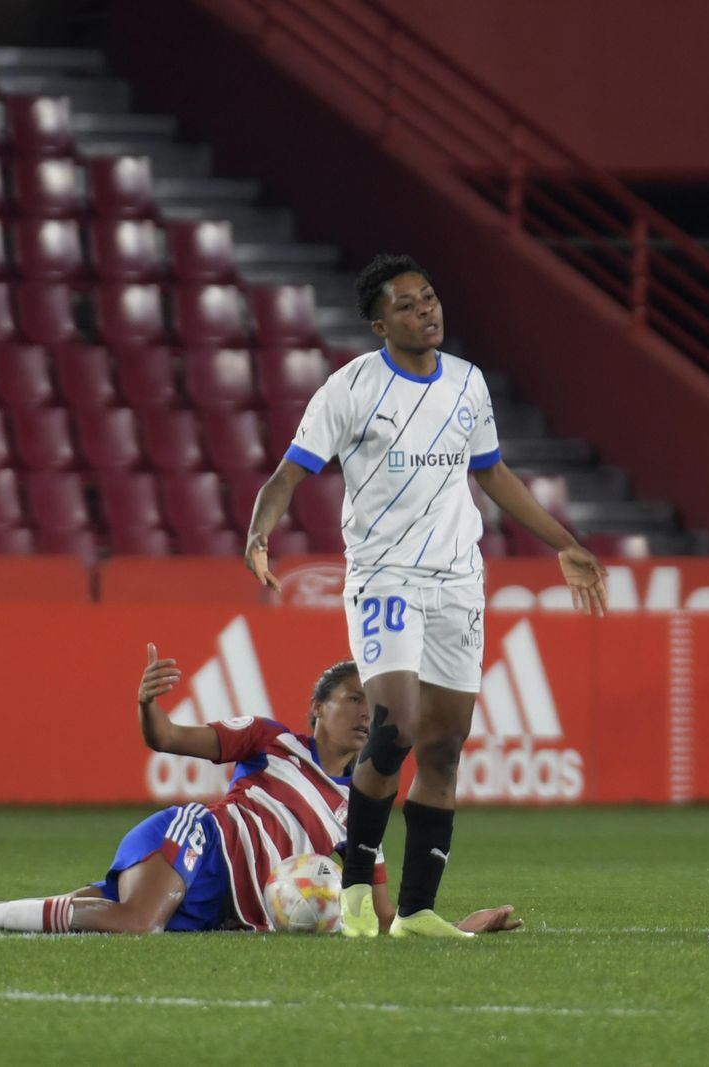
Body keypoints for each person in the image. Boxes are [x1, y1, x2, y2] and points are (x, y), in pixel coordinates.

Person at [243, 253, 608, 939]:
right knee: (397, 726)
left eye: (431, 297)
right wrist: (260, 531)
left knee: (443, 747)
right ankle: (354, 890)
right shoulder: (349, 390)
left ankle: (414, 912)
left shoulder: (468, 384)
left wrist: (563, 541)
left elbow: (494, 474)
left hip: (458, 582)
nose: (426, 310)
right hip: (386, 578)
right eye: (408, 304)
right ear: (380, 322)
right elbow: (288, 476)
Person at [0, 646, 524, 937]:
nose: (366, 711)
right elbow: (169, 739)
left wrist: (460, 929)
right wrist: (148, 706)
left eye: (373, 700)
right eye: (350, 697)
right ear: (316, 711)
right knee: (132, 921)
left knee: (96, 912)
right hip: (199, 838)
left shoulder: (361, 808)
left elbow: (384, 916)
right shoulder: (273, 740)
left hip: (222, 909)